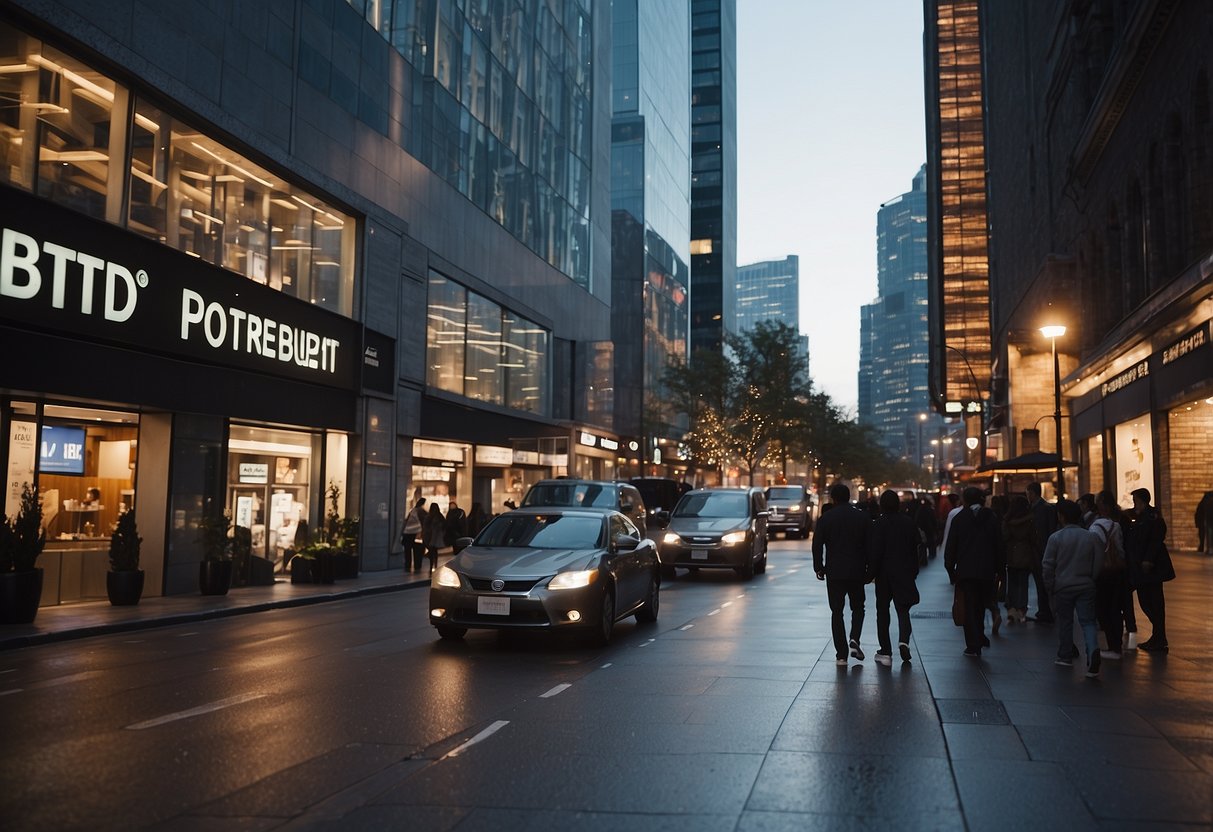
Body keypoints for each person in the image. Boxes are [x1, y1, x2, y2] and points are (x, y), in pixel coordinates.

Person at [812, 483, 872, 666]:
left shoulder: (826, 518)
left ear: (833, 498)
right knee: (858, 607)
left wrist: (819, 567)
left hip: (835, 571)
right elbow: (870, 545)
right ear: (848, 497)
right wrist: (870, 569)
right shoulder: (862, 517)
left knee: (837, 612)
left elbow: (817, 544)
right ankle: (854, 637)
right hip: (856, 570)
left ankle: (841, 654)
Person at [1042, 499, 1104, 677]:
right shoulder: (1091, 537)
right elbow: (1098, 561)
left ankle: (1065, 655)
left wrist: (1050, 585)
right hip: (1086, 584)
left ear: (1061, 517)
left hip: (1063, 585)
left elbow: (1047, 565)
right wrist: (1090, 577)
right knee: (1088, 621)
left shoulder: (1055, 538)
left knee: (1065, 621)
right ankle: (1092, 649)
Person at [944, 487, 1003, 657]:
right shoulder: (991, 517)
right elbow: (999, 544)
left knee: (969, 605)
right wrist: (1000, 569)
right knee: (981, 605)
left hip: (966, 570)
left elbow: (951, 547)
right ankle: (980, 634)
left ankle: (973, 643)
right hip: (987, 569)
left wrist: (950, 569)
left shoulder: (960, 518)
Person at [869, 489, 920, 665]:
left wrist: (870, 573)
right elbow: (916, 549)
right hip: (904, 571)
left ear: (881, 504)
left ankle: (885, 652)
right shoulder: (908, 523)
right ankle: (904, 640)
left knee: (882, 612)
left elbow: (874, 552)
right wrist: (914, 570)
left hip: (884, 574)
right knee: (903, 609)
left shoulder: (878, 524)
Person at [1125, 487, 1174, 653]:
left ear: (1142, 500)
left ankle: (1159, 637)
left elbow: (1156, 539)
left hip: (1151, 568)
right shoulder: (1141, 515)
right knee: (1146, 601)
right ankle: (1158, 635)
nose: (1134, 504)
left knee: (1153, 602)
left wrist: (1148, 560)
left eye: (1135, 500)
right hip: (1142, 567)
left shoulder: (1152, 516)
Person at [1090, 490, 1127, 661]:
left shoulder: (1095, 527)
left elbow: (1092, 551)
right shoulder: (1116, 525)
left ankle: (1113, 646)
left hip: (1101, 572)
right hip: (1116, 571)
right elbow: (1120, 550)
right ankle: (1116, 645)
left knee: (1102, 609)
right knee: (1115, 608)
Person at [1001, 495, 1037, 624]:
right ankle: (1022, 611)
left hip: (1011, 555)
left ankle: (1011, 609)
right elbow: (1033, 539)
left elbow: (1004, 537)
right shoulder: (1030, 521)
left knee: (1012, 584)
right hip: (1025, 555)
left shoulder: (1007, 520)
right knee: (1023, 584)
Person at [1026, 481, 1056, 623]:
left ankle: (1046, 611)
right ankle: (1043, 610)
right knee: (1040, 582)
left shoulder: (1044, 508)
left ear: (1032, 493)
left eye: (1028, 493)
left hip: (1041, 550)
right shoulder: (1039, 508)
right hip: (1038, 550)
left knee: (1043, 582)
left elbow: (1049, 530)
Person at [401, 497, 427, 571]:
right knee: (418, 551)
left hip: (407, 533)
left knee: (407, 551)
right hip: (417, 534)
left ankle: (407, 566)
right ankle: (417, 567)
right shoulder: (421, 511)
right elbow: (424, 522)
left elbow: (406, 521)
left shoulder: (412, 510)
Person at [423, 502, 446, 573]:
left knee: (431, 551)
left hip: (430, 536)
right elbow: (444, 525)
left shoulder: (429, 516)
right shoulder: (439, 516)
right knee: (435, 552)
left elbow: (425, 526)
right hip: (437, 537)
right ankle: (435, 565)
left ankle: (431, 567)